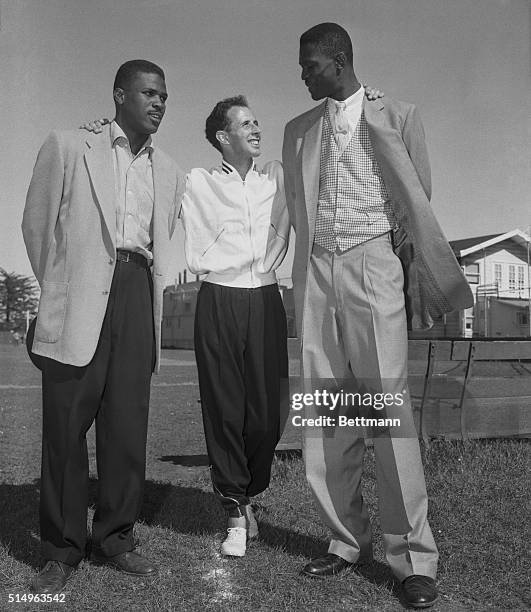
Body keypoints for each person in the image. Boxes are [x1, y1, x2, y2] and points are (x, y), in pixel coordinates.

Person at [282, 23, 473, 608]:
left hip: (374, 264)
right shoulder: (297, 130)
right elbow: (292, 207)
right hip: (316, 271)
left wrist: (395, 260)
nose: (302, 75)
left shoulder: (402, 114)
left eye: (309, 64)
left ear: (337, 60)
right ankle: (344, 541)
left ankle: (412, 558)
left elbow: (419, 196)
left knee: (387, 412)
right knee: (327, 412)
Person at [22, 59, 184, 594]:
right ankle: (61, 548)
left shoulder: (169, 168)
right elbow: (37, 224)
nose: (160, 102)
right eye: (149, 93)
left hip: (138, 295)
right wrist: (65, 286)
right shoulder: (70, 146)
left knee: (126, 428)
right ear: (119, 96)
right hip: (80, 298)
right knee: (66, 431)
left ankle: (114, 536)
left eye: (164, 95)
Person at [180, 95, 290, 557]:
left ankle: (249, 491)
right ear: (224, 137)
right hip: (218, 298)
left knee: (267, 414)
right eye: (246, 123)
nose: (257, 128)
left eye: (257, 121)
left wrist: (368, 105)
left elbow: (329, 152)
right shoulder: (195, 181)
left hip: (266, 296)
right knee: (225, 407)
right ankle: (233, 509)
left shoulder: (279, 177)